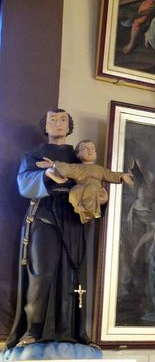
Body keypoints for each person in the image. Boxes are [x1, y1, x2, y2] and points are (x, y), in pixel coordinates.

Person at [6, 109, 92, 348]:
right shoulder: (33, 156)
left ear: (70, 126)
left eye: (63, 120)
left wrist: (100, 200)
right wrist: (46, 174)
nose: (58, 123)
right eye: (52, 120)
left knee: (72, 273)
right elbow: (24, 184)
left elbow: (91, 185)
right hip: (44, 215)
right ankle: (33, 330)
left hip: (72, 217)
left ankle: (72, 331)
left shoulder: (78, 158)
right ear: (45, 126)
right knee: (41, 272)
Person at [35, 139, 134, 223]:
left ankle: (88, 210)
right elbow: (67, 168)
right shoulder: (77, 168)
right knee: (74, 192)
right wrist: (53, 164)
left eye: (92, 149)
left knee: (92, 189)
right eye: (85, 149)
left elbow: (110, 174)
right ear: (77, 154)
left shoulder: (100, 169)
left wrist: (122, 176)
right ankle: (81, 208)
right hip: (81, 188)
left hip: (95, 190)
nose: (90, 151)